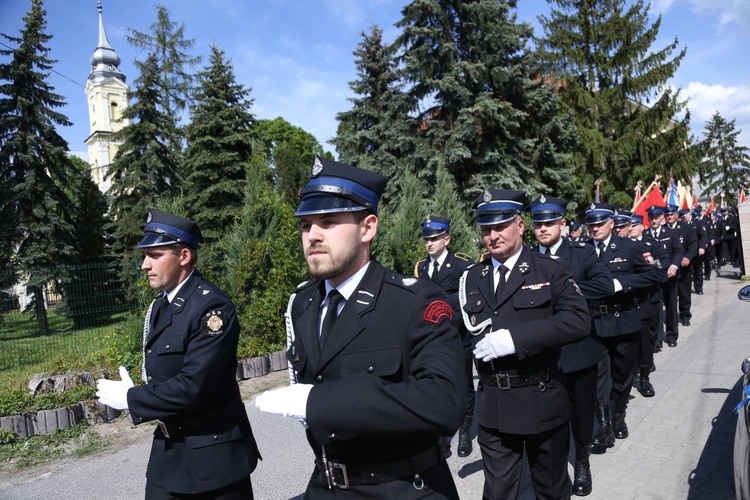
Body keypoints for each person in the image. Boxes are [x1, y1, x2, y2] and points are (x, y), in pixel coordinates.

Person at [255, 156, 466, 498]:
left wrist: (320, 402)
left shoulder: (414, 302)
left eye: (328, 221)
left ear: (367, 228)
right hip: (326, 485)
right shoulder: (304, 304)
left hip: (402, 487)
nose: (312, 235)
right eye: (306, 225)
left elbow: (445, 402)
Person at [96, 209, 260, 499]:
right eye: (144, 255)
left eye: (155, 255)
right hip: (169, 452)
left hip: (213, 459)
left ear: (184, 256)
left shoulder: (212, 308)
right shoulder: (161, 305)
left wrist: (132, 399)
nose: (145, 264)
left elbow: (194, 386)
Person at [458, 189, 590, 499]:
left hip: (541, 399)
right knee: (497, 492)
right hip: (494, 406)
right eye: (486, 228)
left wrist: (515, 339)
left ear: (520, 225)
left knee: (551, 490)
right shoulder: (472, 277)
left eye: (500, 226)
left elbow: (578, 320)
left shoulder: (551, 269)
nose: (492, 235)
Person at [529, 195, 613, 497]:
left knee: (580, 411)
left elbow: (605, 285)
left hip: (578, 349)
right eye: (538, 223)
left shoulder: (582, 254)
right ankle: (551, 468)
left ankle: (582, 461)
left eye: (549, 222)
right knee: (550, 415)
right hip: (541, 352)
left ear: (563, 223)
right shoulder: (527, 258)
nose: (543, 228)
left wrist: (565, 289)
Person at [585, 203, 661, 449]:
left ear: (611, 223)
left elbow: (654, 274)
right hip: (594, 323)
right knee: (598, 375)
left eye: (600, 223)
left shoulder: (630, 247)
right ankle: (605, 423)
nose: (595, 228)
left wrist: (620, 284)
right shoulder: (582, 251)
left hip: (624, 319)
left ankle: (619, 413)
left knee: (622, 373)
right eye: (591, 224)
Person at [414, 215, 475, 458]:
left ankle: (465, 431)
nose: (429, 243)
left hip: (459, 336)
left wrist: (449, 317)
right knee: (437, 386)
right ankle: (441, 435)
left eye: (435, 238)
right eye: (427, 239)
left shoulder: (462, 264)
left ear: (446, 239)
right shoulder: (421, 267)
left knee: (464, 385)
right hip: (433, 340)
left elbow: (468, 301)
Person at [629, 214, 666, 397]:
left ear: (641, 227)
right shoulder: (623, 246)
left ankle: (645, 371)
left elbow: (661, 266)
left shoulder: (653, 244)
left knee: (650, 337)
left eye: (634, 225)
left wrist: (650, 264)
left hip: (651, 297)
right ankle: (640, 368)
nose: (630, 228)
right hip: (630, 300)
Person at [645, 205, 683, 349]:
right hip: (654, 278)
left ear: (662, 218)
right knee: (655, 308)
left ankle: (672, 335)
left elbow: (678, 251)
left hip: (670, 276)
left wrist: (674, 265)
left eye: (656, 218)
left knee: (671, 306)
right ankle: (657, 338)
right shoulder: (645, 235)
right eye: (651, 218)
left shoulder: (671, 233)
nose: (654, 221)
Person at [665, 206, 697, 328]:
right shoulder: (662, 230)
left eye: (672, 214)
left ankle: (685, 315)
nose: (669, 217)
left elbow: (693, 244)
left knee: (684, 293)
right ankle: (671, 318)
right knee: (670, 295)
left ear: (677, 215)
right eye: (667, 214)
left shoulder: (686, 228)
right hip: (668, 269)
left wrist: (688, 257)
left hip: (683, 268)